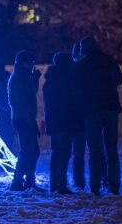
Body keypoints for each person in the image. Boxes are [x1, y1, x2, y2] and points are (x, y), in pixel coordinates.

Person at [74, 36, 122, 196]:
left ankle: (95, 185)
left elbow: (77, 87)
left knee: (95, 150)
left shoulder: (81, 64)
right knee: (111, 149)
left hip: (91, 110)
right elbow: (118, 79)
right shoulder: (108, 60)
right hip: (110, 108)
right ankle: (114, 184)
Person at [42, 52, 77, 195]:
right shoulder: (66, 79)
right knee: (65, 152)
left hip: (53, 120)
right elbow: (70, 101)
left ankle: (53, 184)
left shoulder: (50, 80)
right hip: (64, 120)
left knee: (56, 152)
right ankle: (61, 184)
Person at [8, 50, 41, 192]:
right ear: (23, 63)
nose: (32, 64)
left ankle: (27, 181)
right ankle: (18, 181)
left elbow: (30, 94)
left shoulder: (23, 77)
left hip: (24, 118)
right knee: (28, 151)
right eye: (30, 61)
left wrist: (34, 79)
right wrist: (30, 122)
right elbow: (22, 102)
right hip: (23, 119)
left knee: (33, 151)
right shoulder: (20, 78)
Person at [69, 40, 90, 191]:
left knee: (78, 153)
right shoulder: (88, 70)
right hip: (88, 115)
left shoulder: (71, 71)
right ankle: (101, 179)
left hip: (77, 118)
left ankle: (79, 181)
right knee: (95, 150)